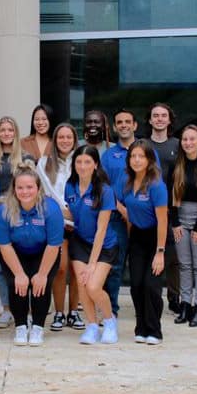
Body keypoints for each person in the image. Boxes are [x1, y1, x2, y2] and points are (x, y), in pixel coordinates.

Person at [0, 163, 64, 346]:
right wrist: (18, 274)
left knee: (41, 285)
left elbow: (53, 245)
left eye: (30, 187)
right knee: (18, 285)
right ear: (14, 189)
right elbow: (4, 245)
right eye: (20, 187)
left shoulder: (51, 208)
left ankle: (38, 327)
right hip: (15, 252)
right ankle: (21, 326)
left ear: (38, 188)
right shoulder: (3, 210)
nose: (25, 191)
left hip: (44, 251)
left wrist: (41, 275)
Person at [102, 108, 160, 316]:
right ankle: (112, 310)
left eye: (128, 121)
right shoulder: (109, 156)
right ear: (115, 127)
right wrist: (124, 210)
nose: (124, 125)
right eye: (120, 122)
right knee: (115, 266)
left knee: (143, 268)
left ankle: (144, 311)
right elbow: (104, 188)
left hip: (144, 222)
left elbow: (155, 181)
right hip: (117, 218)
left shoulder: (147, 151)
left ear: (135, 125)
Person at [64, 145, 119, 345]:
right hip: (80, 242)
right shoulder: (69, 186)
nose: (82, 166)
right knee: (81, 284)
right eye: (78, 162)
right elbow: (72, 213)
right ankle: (92, 326)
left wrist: (92, 263)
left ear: (95, 164)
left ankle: (109, 321)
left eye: (87, 162)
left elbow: (101, 230)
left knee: (94, 286)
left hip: (103, 245)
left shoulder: (105, 191)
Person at [116, 139, 168, 344]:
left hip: (157, 237)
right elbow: (126, 207)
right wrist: (120, 209)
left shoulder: (156, 185)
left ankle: (154, 330)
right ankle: (141, 327)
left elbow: (163, 219)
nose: (136, 160)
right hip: (137, 236)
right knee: (136, 284)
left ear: (149, 160)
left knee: (151, 285)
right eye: (133, 156)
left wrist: (161, 252)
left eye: (141, 156)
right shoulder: (127, 181)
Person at [0, 116, 35, 324]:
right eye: (3, 130)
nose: (6, 134)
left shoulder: (26, 158)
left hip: (21, 212)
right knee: (0, 265)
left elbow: (31, 188)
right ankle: (6, 308)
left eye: (10, 130)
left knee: (24, 262)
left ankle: (28, 310)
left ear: (16, 133)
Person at [36, 122, 84, 331]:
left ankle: (73, 312)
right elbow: (46, 193)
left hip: (82, 222)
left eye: (69, 137)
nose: (65, 141)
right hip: (57, 222)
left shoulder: (81, 161)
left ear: (74, 140)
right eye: (61, 137)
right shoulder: (44, 163)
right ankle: (58, 312)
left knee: (76, 269)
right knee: (60, 268)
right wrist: (65, 212)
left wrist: (75, 213)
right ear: (55, 141)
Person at [169, 125, 197, 328]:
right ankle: (185, 304)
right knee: (184, 265)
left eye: (192, 139)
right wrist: (175, 222)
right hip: (180, 217)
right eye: (185, 139)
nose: (188, 143)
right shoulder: (175, 165)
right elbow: (171, 198)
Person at [147, 102, 181, 315]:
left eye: (163, 116)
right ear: (150, 120)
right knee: (150, 253)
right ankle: (152, 296)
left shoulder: (178, 145)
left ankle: (174, 297)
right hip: (146, 208)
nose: (159, 119)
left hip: (171, 208)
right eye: (155, 115)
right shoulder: (143, 145)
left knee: (173, 257)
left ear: (169, 120)